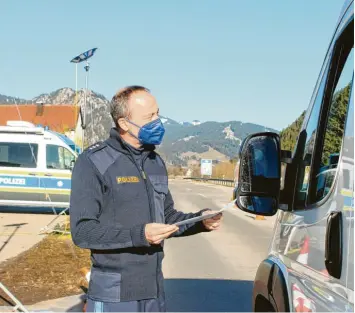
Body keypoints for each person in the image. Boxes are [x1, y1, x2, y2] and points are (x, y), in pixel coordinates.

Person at [70, 85, 223, 312]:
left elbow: (168, 216)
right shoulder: (94, 162)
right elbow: (82, 232)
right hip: (114, 295)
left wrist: (200, 221)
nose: (157, 121)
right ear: (123, 124)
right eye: (149, 116)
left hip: (153, 293)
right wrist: (139, 235)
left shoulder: (155, 162)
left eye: (157, 113)